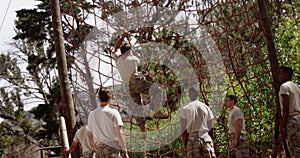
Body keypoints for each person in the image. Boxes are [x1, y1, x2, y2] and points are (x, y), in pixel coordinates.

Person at [113, 32, 168, 137]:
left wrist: (122, 37)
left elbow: (116, 49)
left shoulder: (118, 60)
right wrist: (132, 49)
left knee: (138, 107)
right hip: (137, 83)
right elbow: (137, 57)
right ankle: (157, 111)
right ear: (129, 52)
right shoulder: (133, 58)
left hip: (128, 86)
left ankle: (143, 130)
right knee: (158, 90)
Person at [86, 87, 129, 158]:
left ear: (98, 98)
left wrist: (95, 147)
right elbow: (120, 134)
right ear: (110, 98)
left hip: (99, 150)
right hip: (112, 148)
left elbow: (90, 134)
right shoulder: (113, 113)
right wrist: (125, 152)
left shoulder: (91, 114)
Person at [180, 87, 216, 158]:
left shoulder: (185, 109)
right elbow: (211, 127)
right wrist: (211, 140)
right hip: (205, 137)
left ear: (189, 95)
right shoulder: (205, 107)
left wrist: (185, 144)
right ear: (198, 94)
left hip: (192, 139)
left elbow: (183, 129)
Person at [278, 66, 300, 157]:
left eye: (280, 73)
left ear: (286, 74)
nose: (279, 76)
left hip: (290, 119)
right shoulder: (296, 87)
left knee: (294, 148)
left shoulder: (284, 87)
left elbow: (286, 106)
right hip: (298, 118)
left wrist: (283, 125)